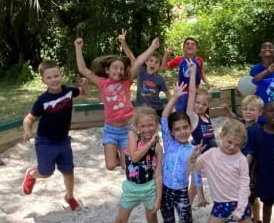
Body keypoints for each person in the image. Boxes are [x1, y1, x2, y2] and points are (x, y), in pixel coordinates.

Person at [188, 119, 264, 223]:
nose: (231, 147)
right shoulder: (211, 154)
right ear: (222, 136)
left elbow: (245, 186)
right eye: (229, 142)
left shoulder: (241, 160)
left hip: (239, 203)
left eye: (236, 145)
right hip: (220, 203)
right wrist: (193, 158)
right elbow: (193, 169)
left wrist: (240, 209)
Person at [75, 34, 160, 171]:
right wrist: (78, 48)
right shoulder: (102, 83)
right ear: (107, 70)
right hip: (111, 130)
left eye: (121, 68)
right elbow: (83, 70)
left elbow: (138, 62)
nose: (118, 71)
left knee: (127, 165)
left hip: (127, 129)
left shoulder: (126, 82)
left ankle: (121, 152)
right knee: (110, 166)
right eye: (115, 68)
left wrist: (152, 47)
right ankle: (112, 149)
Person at [96, 106, 163, 223]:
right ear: (137, 127)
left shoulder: (158, 148)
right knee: (120, 220)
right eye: (143, 126)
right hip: (131, 188)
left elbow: (159, 173)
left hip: (149, 188)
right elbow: (134, 156)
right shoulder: (132, 136)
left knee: (151, 220)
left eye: (151, 125)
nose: (147, 129)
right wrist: (151, 142)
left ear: (156, 125)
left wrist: (159, 198)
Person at [21, 61, 82, 210]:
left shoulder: (69, 91)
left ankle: (70, 196)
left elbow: (82, 92)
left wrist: (84, 84)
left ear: (61, 75)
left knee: (68, 170)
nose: (54, 79)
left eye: (56, 75)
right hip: (45, 142)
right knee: (46, 172)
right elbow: (29, 118)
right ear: (43, 81)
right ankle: (32, 174)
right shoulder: (42, 100)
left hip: (63, 141)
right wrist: (27, 130)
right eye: (49, 78)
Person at [159, 84, 205, 223]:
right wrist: (174, 98)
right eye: (177, 129)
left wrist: (200, 195)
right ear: (171, 132)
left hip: (181, 193)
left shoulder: (192, 149)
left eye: (185, 127)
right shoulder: (169, 143)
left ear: (190, 127)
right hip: (165, 192)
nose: (182, 131)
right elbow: (163, 117)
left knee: (187, 221)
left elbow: (196, 173)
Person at [220, 94, 265, 223]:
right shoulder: (244, 124)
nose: (248, 112)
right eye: (245, 109)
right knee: (253, 197)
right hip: (243, 164)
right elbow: (234, 119)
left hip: (250, 167)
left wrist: (242, 173)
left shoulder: (255, 129)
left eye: (252, 109)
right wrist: (227, 110)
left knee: (248, 197)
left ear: (260, 112)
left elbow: (250, 154)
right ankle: (256, 221)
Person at [118, 30, 168, 115]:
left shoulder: (160, 79)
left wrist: (172, 109)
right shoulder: (141, 72)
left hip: (157, 110)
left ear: (159, 66)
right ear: (146, 62)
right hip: (141, 109)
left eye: (156, 62)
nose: (153, 63)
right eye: (151, 60)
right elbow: (131, 57)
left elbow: (169, 95)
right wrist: (123, 42)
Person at [163, 37, 208, 110]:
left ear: (196, 49)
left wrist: (207, 83)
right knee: (181, 110)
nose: (190, 45)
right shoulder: (179, 59)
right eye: (187, 43)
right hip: (182, 91)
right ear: (183, 48)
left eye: (193, 44)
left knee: (196, 109)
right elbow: (165, 67)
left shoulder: (200, 60)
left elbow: (202, 73)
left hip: (195, 90)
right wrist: (166, 54)